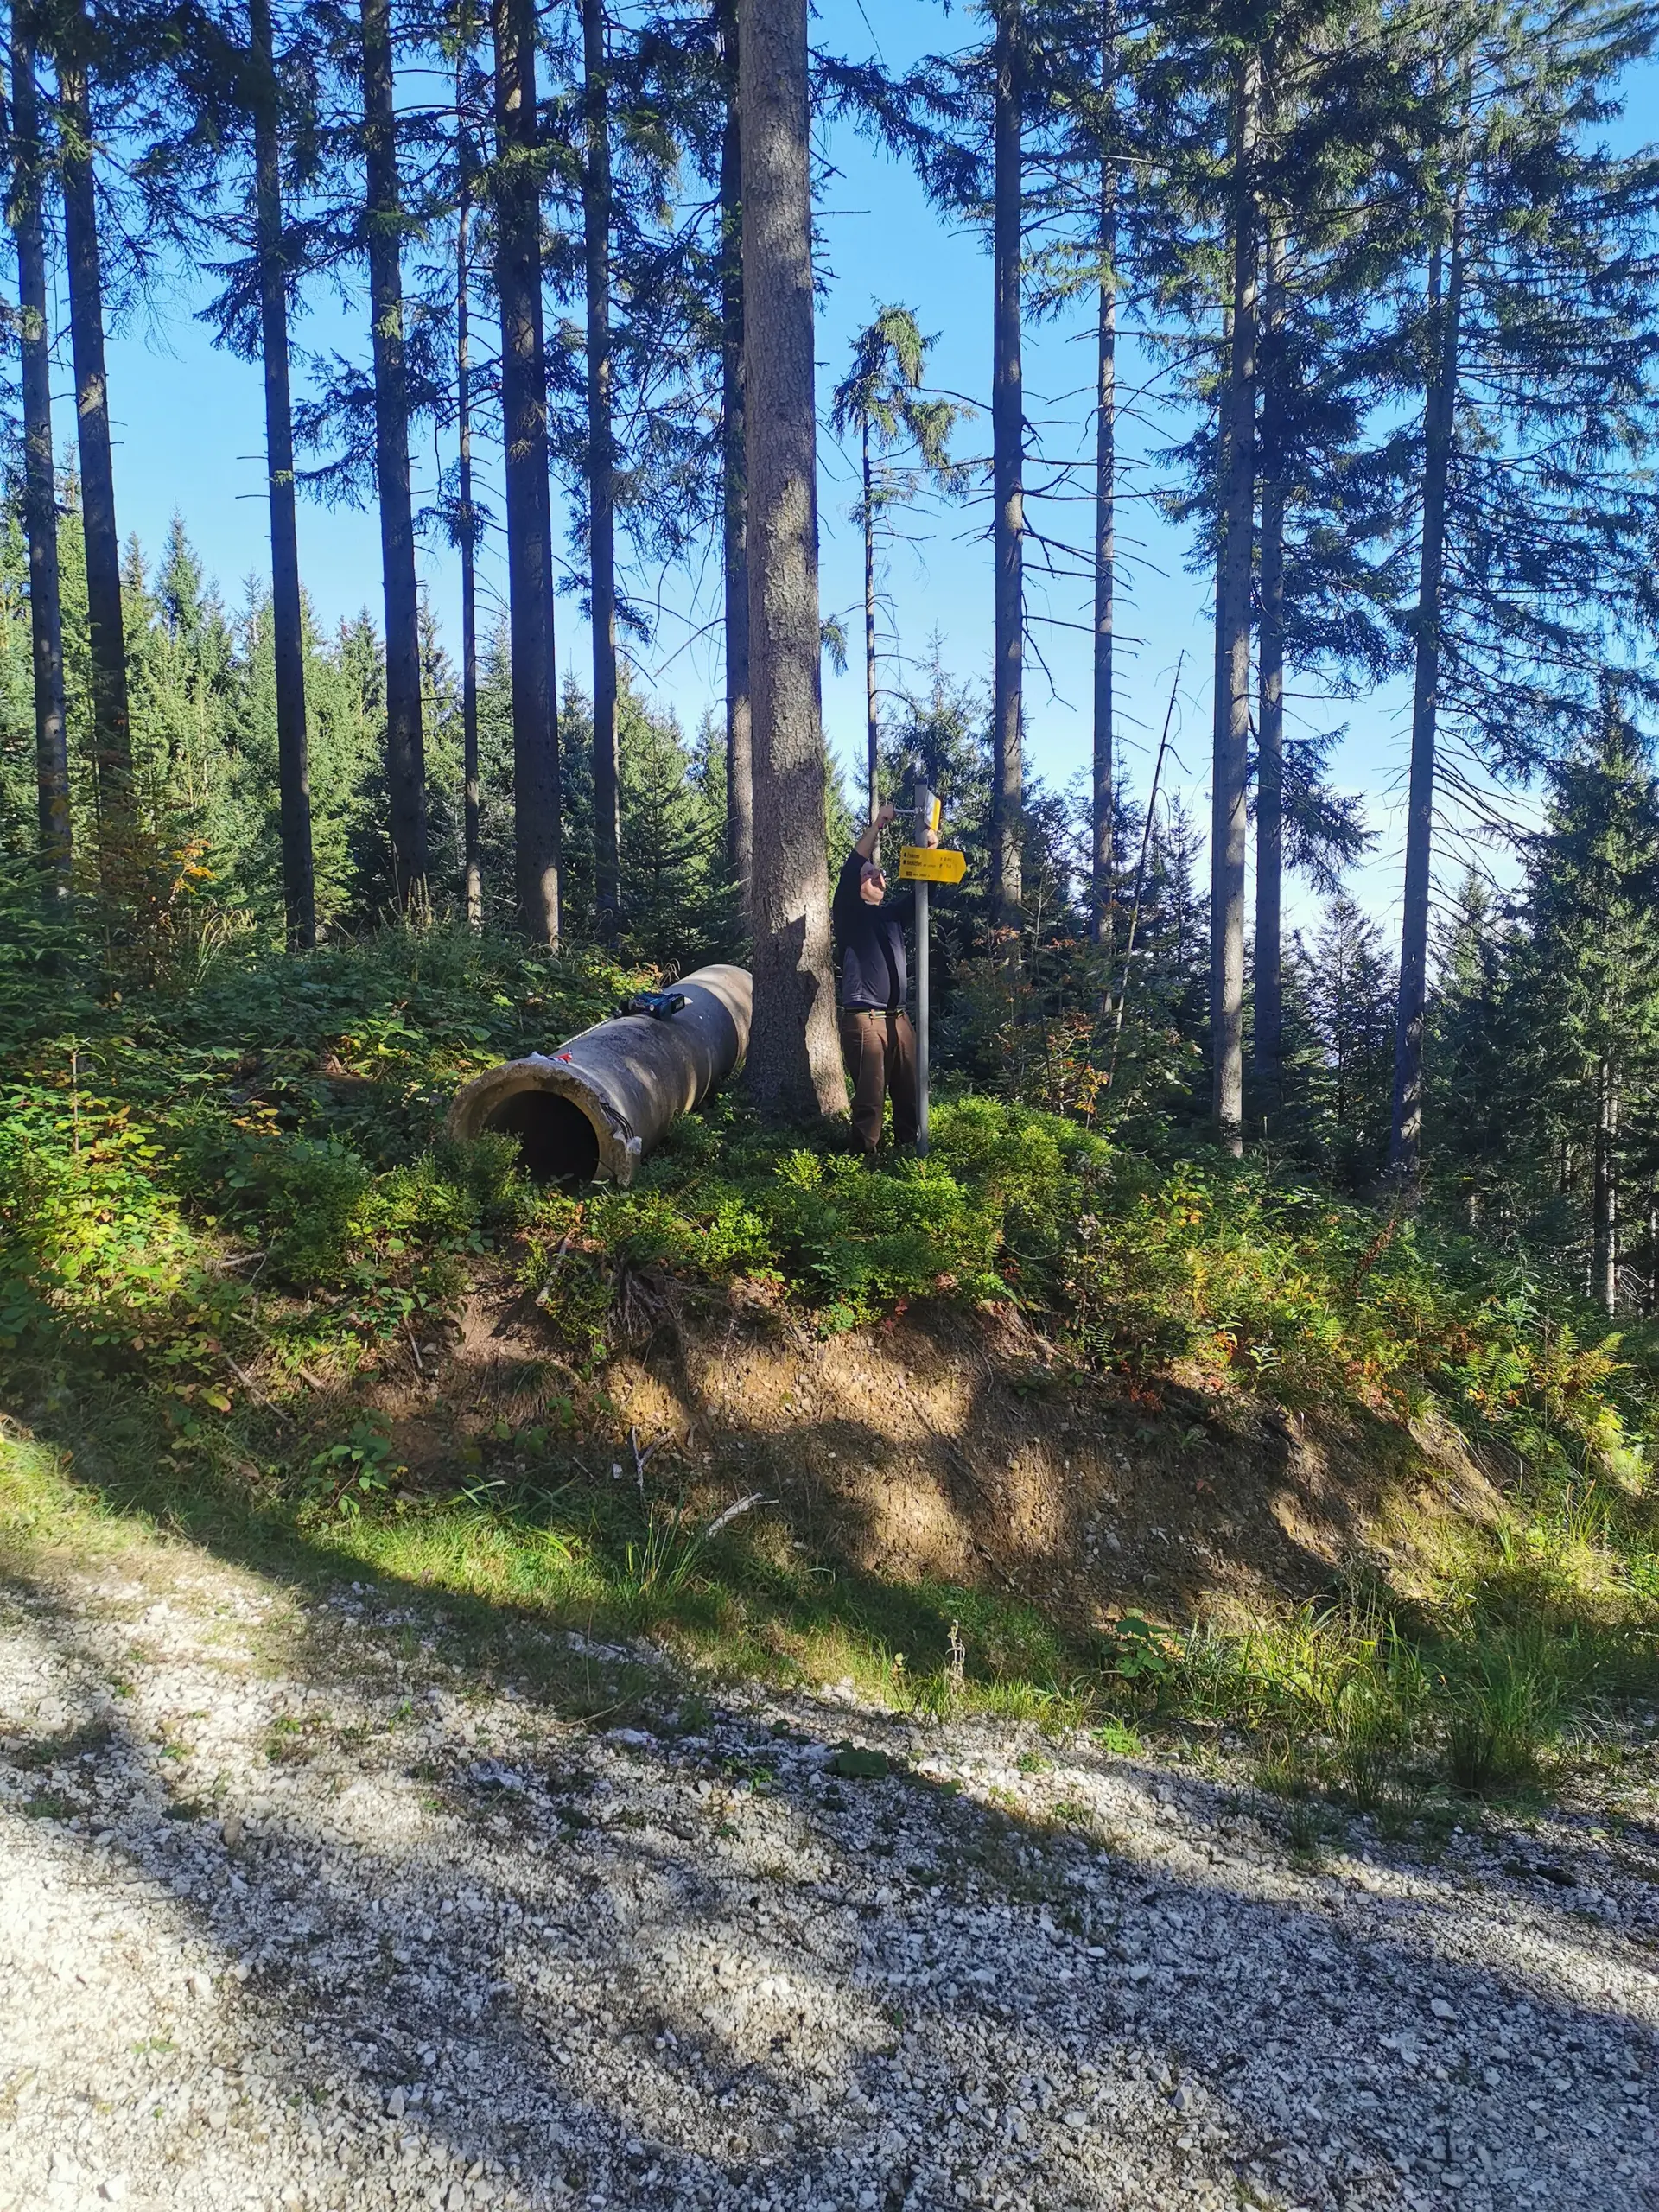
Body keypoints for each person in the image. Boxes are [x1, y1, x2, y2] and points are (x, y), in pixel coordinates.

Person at [831, 798, 933, 1153]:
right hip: (867, 1019)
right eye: (869, 874)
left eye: (880, 873)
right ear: (858, 885)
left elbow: (927, 889)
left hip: (900, 1019)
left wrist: (933, 849)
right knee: (870, 1101)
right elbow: (851, 866)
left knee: (911, 1091)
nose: (877, 875)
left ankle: (908, 1154)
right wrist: (877, 826)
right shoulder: (849, 914)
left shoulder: (891, 915)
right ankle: (864, 1169)